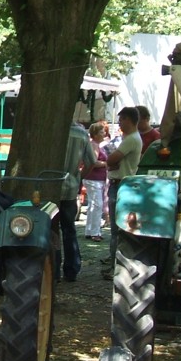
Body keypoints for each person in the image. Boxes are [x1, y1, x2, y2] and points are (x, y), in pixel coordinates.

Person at [105, 106, 143, 273]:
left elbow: (111, 159)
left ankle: (115, 267)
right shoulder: (132, 138)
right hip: (122, 184)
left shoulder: (131, 139)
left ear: (129, 120)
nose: (119, 123)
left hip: (120, 185)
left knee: (117, 230)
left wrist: (111, 161)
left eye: (121, 120)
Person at [59, 119, 96, 282]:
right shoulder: (81, 133)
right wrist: (79, 177)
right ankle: (71, 269)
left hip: (47, 184)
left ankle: (52, 269)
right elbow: (91, 161)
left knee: (49, 229)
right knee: (69, 229)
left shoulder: (51, 129)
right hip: (70, 186)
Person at [83, 122, 109, 242]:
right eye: (102, 132)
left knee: (93, 205)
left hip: (96, 179)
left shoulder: (97, 145)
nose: (104, 134)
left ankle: (89, 230)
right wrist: (107, 163)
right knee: (97, 205)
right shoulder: (94, 145)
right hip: (94, 179)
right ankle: (95, 232)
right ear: (96, 134)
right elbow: (94, 162)